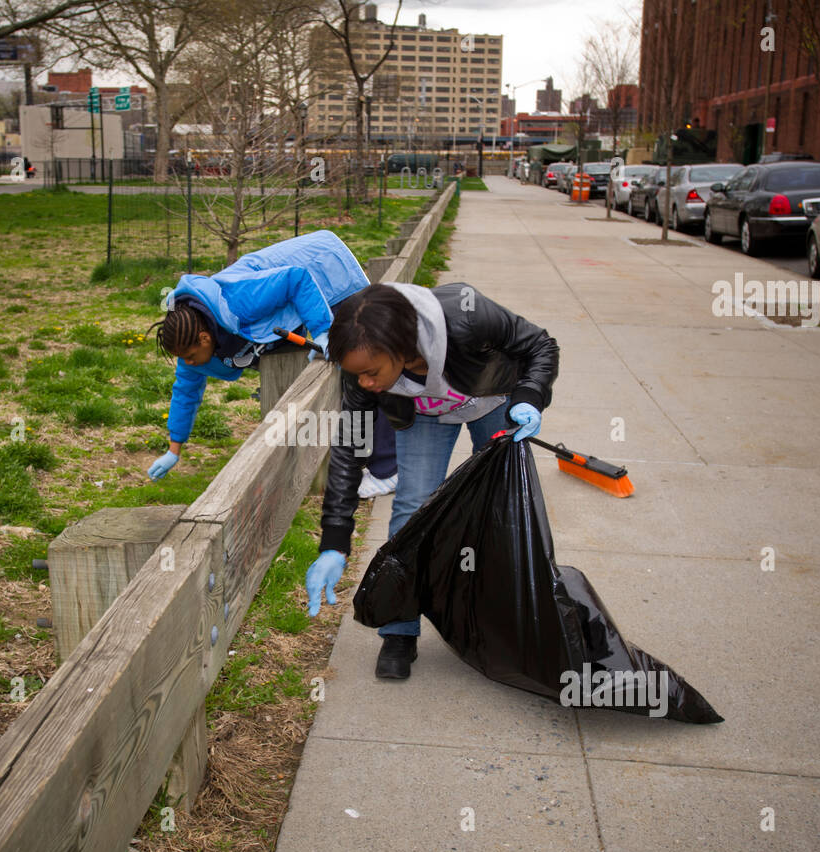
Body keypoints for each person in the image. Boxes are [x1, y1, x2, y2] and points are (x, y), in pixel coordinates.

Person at [303, 281, 559, 679]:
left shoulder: (467, 317)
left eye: (372, 373)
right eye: (358, 376)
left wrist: (529, 396)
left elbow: (541, 345)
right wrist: (334, 541)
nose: (365, 384)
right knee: (411, 507)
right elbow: (349, 449)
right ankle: (399, 630)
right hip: (423, 413)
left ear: (401, 346)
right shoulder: (361, 367)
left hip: (491, 400)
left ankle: (500, 624)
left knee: (500, 507)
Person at [146, 229, 397, 494]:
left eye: (190, 356)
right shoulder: (193, 337)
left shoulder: (237, 300)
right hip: (296, 294)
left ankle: (388, 470)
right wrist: (174, 449)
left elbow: (297, 279)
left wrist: (323, 332)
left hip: (326, 270)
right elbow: (185, 392)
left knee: (359, 367)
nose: (189, 363)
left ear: (205, 338)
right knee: (333, 373)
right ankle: (363, 457)